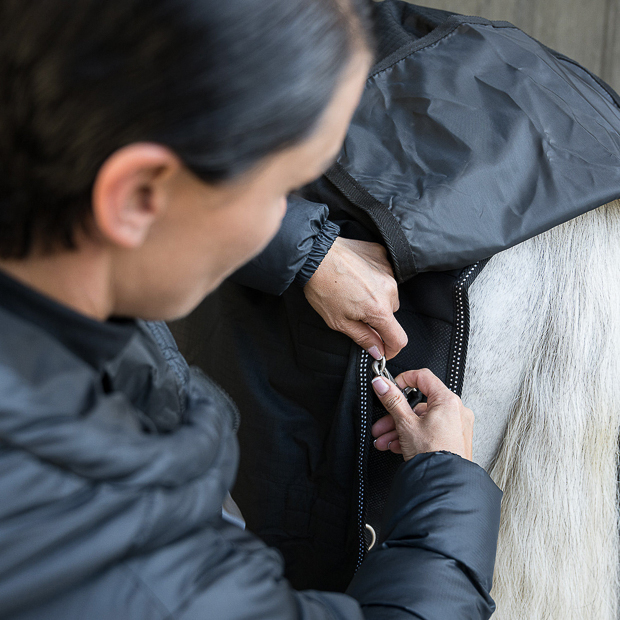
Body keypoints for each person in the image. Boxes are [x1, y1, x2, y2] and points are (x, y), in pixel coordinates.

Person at [0, 1, 501, 618]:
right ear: (135, 196)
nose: (278, 224)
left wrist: (305, 249)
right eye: (279, 191)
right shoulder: (104, 540)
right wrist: (446, 485)